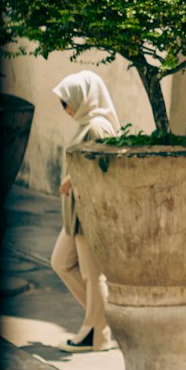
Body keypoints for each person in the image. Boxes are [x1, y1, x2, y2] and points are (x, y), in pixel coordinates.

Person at [50, 71, 121, 352]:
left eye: (67, 101)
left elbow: (107, 167)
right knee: (61, 262)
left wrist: (71, 178)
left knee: (93, 275)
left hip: (89, 214)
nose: (65, 108)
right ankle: (104, 318)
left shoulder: (97, 126)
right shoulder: (86, 124)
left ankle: (96, 334)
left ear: (84, 98)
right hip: (76, 215)